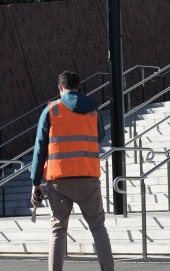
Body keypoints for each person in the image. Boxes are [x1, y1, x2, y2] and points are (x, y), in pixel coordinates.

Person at [30, 71, 114, 271]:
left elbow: (40, 148)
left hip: (59, 181)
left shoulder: (51, 110)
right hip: (88, 177)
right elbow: (100, 136)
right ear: (78, 88)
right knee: (98, 227)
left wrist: (35, 182)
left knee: (58, 230)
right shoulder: (93, 110)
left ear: (60, 88)